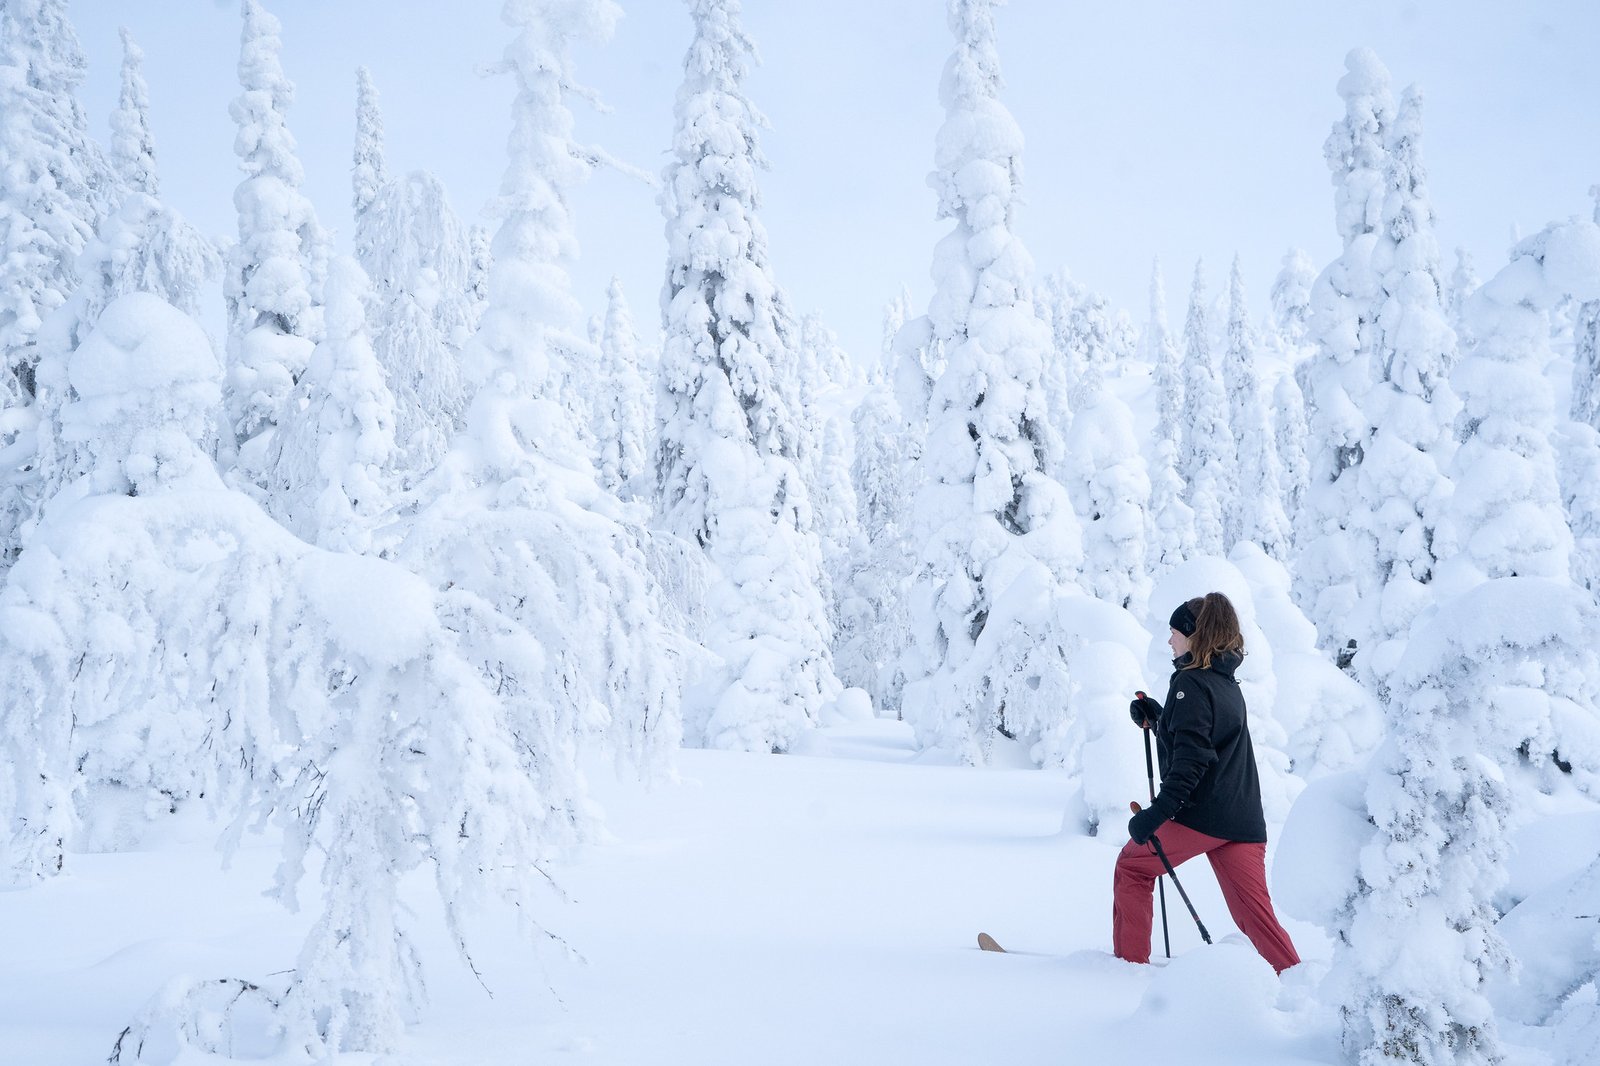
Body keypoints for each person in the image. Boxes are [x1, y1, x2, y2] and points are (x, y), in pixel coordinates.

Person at [1112, 592, 1300, 974]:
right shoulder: (1225, 683)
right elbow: (1203, 738)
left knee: (1132, 868)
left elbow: (1192, 761)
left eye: (1175, 632)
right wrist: (1162, 718)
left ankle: (1128, 970)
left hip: (1203, 818)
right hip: (1243, 823)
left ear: (1194, 636)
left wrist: (1156, 815)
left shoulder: (1191, 684)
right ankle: (1295, 979)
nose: (1169, 641)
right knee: (1254, 914)